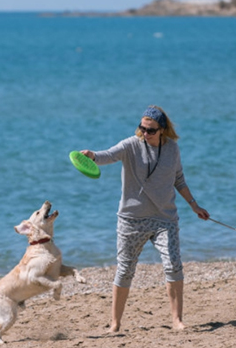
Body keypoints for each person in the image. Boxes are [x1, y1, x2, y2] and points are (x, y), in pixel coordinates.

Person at [81, 105, 209, 331]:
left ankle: (177, 320)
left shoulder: (172, 149)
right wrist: (91, 155)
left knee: (173, 265)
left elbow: (178, 179)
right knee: (125, 270)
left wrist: (194, 205)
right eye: (142, 128)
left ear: (162, 129)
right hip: (132, 220)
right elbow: (108, 155)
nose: (145, 133)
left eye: (150, 130)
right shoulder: (131, 145)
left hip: (164, 218)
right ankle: (115, 323)